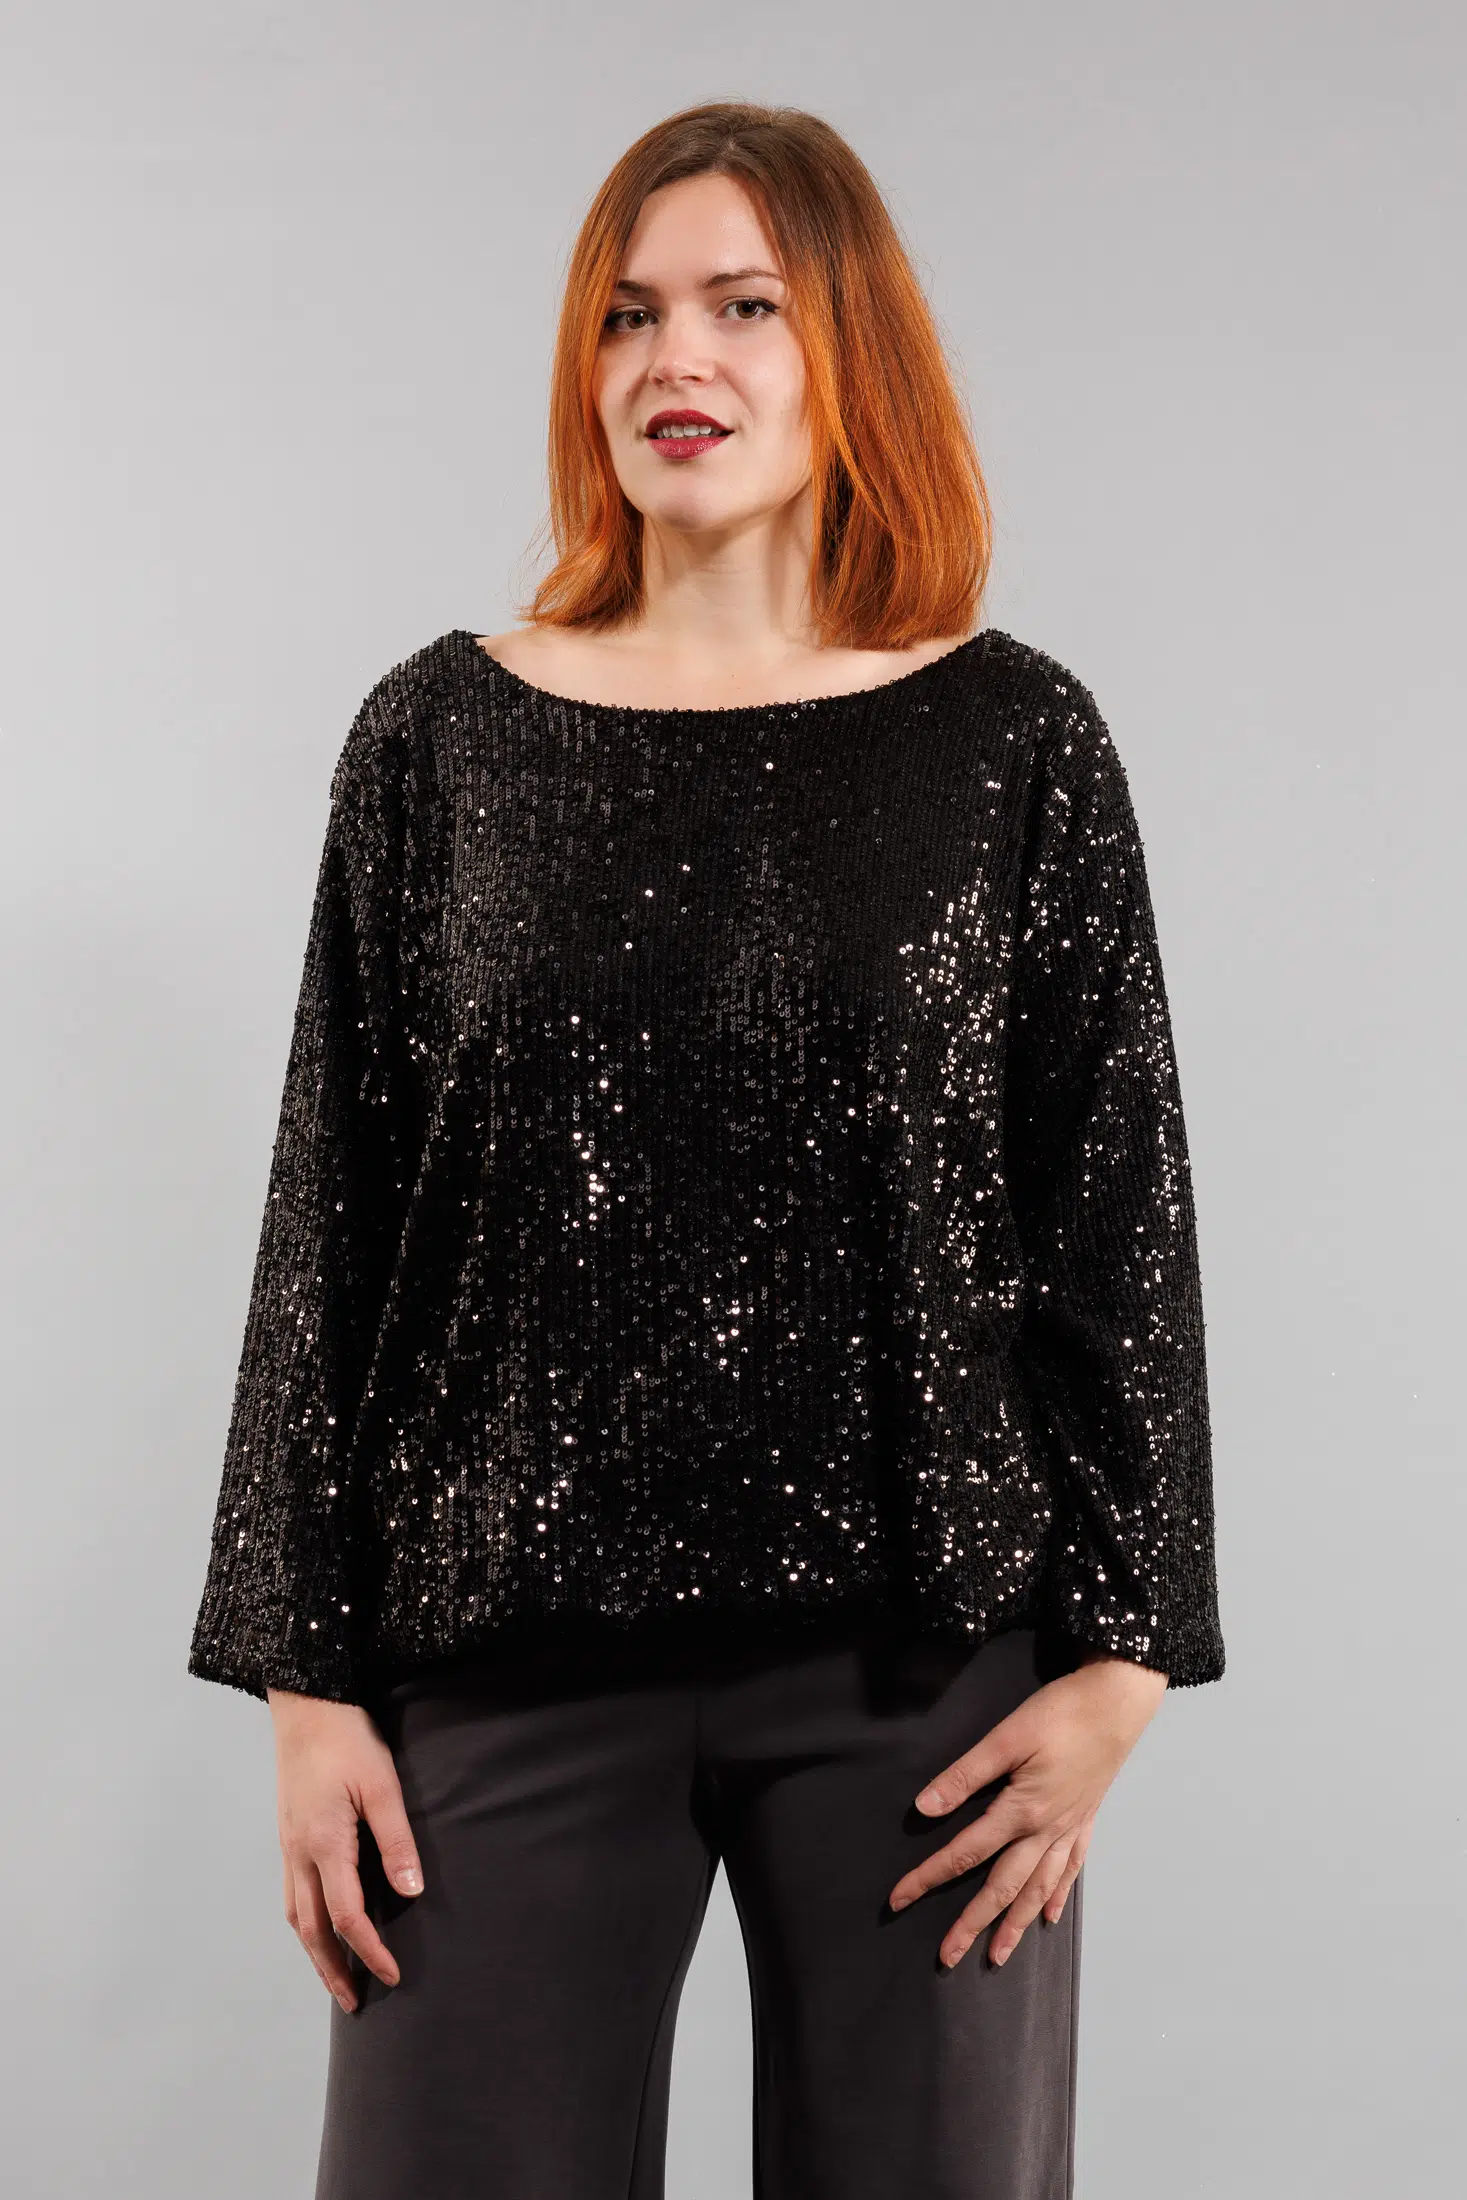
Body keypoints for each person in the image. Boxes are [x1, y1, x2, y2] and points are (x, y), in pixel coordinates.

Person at [188, 100, 1224, 2200]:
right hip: (495, 1653)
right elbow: (334, 1215)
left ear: (849, 346)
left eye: (746, 306)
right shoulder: (440, 738)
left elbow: (1111, 1211)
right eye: (630, 313)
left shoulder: (1012, 739)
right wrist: (307, 1685)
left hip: (921, 1674)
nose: (681, 359)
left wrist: (1127, 1656)